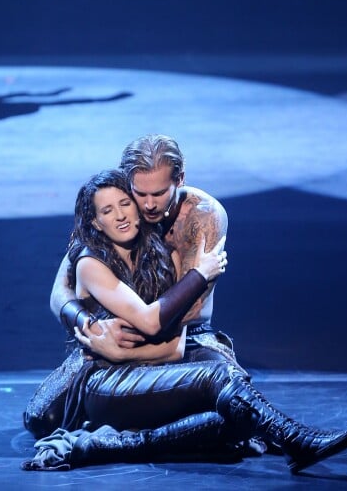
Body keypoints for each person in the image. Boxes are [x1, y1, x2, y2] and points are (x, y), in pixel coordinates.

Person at [23, 170, 347, 472]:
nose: (123, 215)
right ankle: (295, 439)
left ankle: (113, 446)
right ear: (96, 222)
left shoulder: (162, 251)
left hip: (142, 372)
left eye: (125, 204)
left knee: (232, 416)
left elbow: (176, 345)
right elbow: (150, 322)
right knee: (218, 377)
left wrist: (128, 354)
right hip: (104, 383)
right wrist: (200, 273)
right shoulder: (90, 262)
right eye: (108, 211)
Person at [50, 134, 238, 368]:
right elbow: (60, 290)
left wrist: (123, 350)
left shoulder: (202, 215)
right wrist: (91, 324)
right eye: (140, 193)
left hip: (183, 338)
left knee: (221, 371)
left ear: (179, 180)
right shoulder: (118, 205)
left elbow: (183, 316)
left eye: (159, 194)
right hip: (121, 336)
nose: (149, 205)